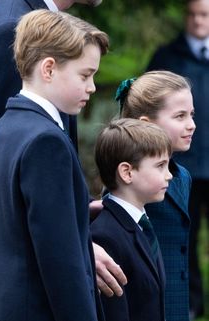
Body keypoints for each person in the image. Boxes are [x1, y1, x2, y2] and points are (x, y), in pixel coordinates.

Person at [0, 0, 126, 319]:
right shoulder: (45, 142)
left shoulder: (6, 127)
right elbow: (61, 265)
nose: (92, 87)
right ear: (48, 68)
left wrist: (70, 203)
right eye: (85, 75)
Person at [147, 1, 209, 318]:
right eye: (193, 14)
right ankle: (191, 301)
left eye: (205, 14)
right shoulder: (167, 58)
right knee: (183, 232)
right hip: (184, 166)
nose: (198, 21)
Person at [117, 70, 196, 321]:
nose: (191, 124)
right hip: (146, 307)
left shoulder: (182, 176)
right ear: (147, 123)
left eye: (191, 115)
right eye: (180, 116)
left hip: (176, 303)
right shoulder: (129, 178)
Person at [91, 118, 172, 321]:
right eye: (160, 166)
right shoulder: (105, 236)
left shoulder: (142, 225)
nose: (169, 175)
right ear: (127, 172)